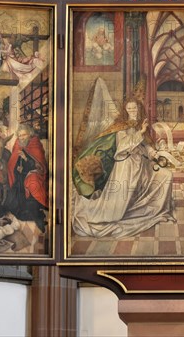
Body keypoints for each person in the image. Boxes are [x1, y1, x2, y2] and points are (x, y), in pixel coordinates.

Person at [72, 98, 174, 238]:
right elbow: (123, 146)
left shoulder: (140, 124)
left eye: (135, 108)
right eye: (130, 108)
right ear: (125, 110)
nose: (133, 111)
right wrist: (141, 131)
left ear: (139, 109)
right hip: (127, 167)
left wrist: (154, 153)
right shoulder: (121, 126)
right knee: (120, 202)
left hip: (142, 164)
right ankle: (129, 211)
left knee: (167, 175)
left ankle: (157, 208)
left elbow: (144, 145)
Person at [5, 124, 48, 231]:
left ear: (30, 134)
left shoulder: (35, 145)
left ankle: (38, 218)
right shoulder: (18, 144)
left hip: (33, 175)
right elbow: (12, 163)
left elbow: (39, 166)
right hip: (20, 177)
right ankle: (28, 214)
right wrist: (16, 169)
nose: (21, 138)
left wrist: (25, 159)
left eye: (24, 135)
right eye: (19, 136)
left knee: (32, 185)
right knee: (13, 201)